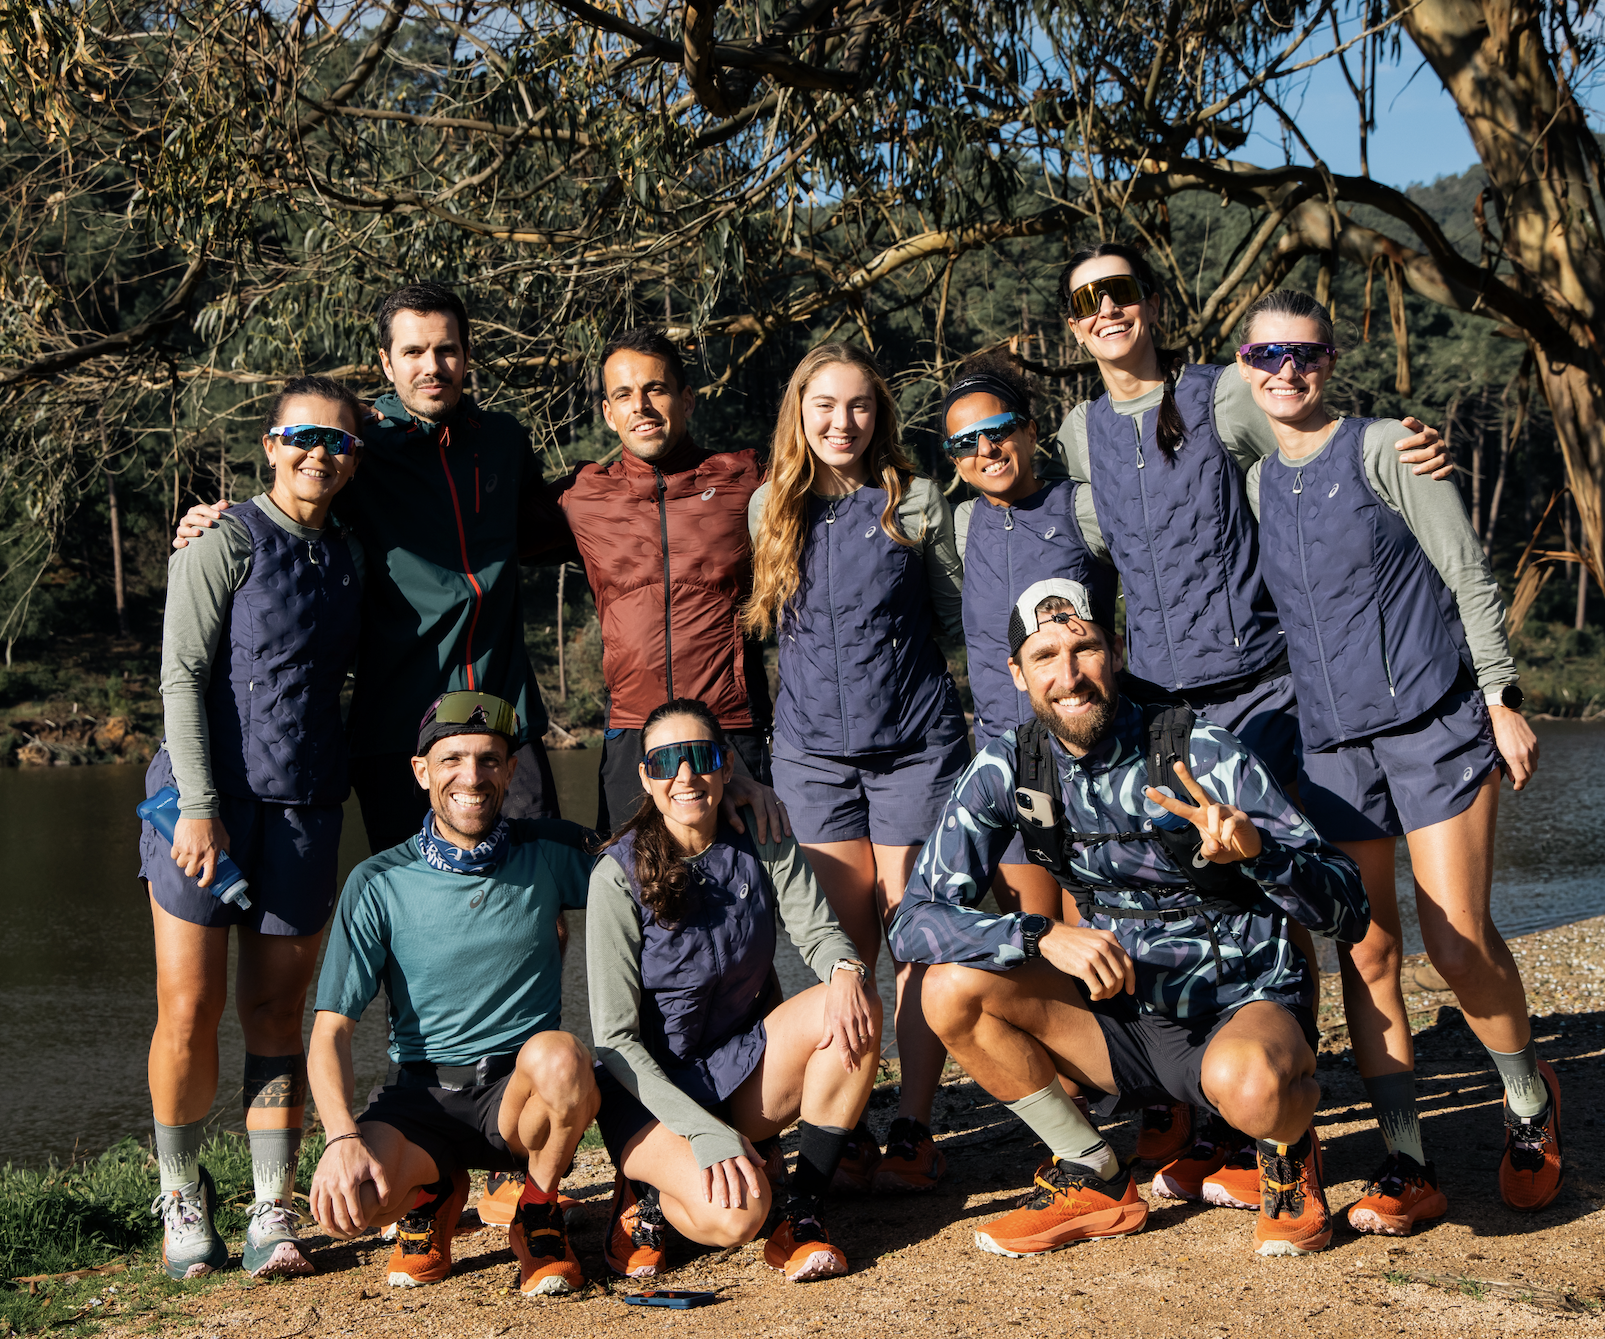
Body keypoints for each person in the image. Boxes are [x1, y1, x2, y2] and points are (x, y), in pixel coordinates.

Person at [1049, 241, 1449, 1169]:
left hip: (1263, 689)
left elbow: (1320, 444)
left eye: (1120, 290)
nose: (1106, 309)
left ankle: (1287, 1121)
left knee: (1265, 884)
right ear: (1072, 325)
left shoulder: (1221, 393)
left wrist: (1402, 444)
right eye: (1086, 300)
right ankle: (1218, 1105)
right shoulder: (1077, 431)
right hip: (1156, 704)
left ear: (1148, 301)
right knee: (1185, 892)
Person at [889, 580, 1371, 1259]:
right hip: (1118, 1014)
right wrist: (1039, 932)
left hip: (1234, 1004)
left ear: (1112, 651)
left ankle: (1288, 1154)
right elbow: (912, 921)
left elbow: (1349, 907)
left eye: (1084, 647)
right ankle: (1092, 1173)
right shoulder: (1009, 766)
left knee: (1253, 1089)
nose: (1068, 673)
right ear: (1016, 673)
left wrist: (1260, 856)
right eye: (1045, 654)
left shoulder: (1200, 751)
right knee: (946, 987)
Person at [1236, 288, 1557, 1231]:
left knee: (1454, 937)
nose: (1284, 371)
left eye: (1303, 354)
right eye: (1265, 355)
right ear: (1245, 367)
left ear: (1328, 361)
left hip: (1432, 721)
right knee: (1366, 947)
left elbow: (1465, 569)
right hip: (1333, 748)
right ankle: (1406, 1160)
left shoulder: (1382, 448)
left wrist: (1499, 698)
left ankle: (1527, 1103)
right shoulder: (1260, 476)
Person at [174, 282, 572, 850]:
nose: (431, 367)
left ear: (466, 354)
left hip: (502, 711)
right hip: (398, 726)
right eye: (412, 352)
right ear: (386, 362)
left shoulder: (505, 441)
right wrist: (216, 521)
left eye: (447, 350)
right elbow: (292, 503)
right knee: (416, 912)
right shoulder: (360, 444)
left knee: (537, 901)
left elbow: (549, 522)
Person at [140, 376, 366, 1280]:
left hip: (305, 809)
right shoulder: (224, 541)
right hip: (205, 808)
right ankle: (181, 1194)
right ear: (270, 444)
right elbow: (181, 678)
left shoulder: (350, 551)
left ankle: (271, 1205)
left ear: (354, 457)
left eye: (339, 440)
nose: (320, 452)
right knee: (188, 1009)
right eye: (302, 436)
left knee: (277, 1011)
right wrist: (198, 805)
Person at [744, 342, 969, 1193]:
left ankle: (913, 1122)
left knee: (914, 931)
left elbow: (952, 618)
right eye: (824, 406)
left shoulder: (911, 502)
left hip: (915, 746)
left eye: (860, 406)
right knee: (845, 950)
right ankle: (852, 1121)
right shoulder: (771, 504)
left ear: (880, 415)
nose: (842, 423)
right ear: (799, 413)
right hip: (813, 761)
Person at [306, 692, 598, 1295]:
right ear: (421, 772)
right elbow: (330, 1032)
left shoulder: (548, 850)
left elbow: (661, 854)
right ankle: (434, 1192)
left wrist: (741, 797)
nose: (473, 777)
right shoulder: (377, 881)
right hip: (421, 1101)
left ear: (512, 770)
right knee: (349, 1204)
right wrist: (340, 1138)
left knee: (565, 1058)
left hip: (515, 1098)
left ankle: (537, 1212)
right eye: (452, 759)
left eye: (490, 760)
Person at [587, 698, 882, 1282]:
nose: (685, 775)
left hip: (736, 1067)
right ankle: (646, 1194)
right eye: (667, 761)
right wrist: (700, 1131)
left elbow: (820, 932)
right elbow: (613, 1040)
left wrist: (848, 970)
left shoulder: (762, 838)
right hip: (649, 1095)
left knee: (853, 1002)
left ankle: (802, 1214)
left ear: (726, 767)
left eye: (700, 756)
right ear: (646, 776)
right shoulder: (615, 876)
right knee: (736, 1218)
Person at [551, 329, 776, 832]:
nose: (641, 407)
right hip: (631, 731)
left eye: (655, 389)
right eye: (624, 395)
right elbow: (478, 528)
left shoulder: (746, 480)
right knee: (633, 891)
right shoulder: (581, 496)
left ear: (686, 399)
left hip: (730, 725)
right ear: (608, 413)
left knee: (746, 893)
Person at [946, 351, 1117, 922]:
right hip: (1008, 762)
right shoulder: (964, 525)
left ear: (1030, 430)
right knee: (1037, 946)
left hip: (1090, 753)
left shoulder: (1081, 506)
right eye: (965, 442)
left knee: (1099, 936)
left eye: (998, 431)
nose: (986, 450)